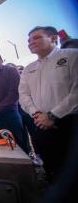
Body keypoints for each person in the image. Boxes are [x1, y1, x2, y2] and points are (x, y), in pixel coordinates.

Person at [19, 26, 78, 182]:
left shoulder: (73, 56)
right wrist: (36, 114)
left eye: (36, 37)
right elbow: (23, 95)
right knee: (52, 168)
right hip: (40, 125)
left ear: (53, 38)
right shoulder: (28, 69)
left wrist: (52, 115)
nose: (31, 42)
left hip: (69, 124)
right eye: (29, 40)